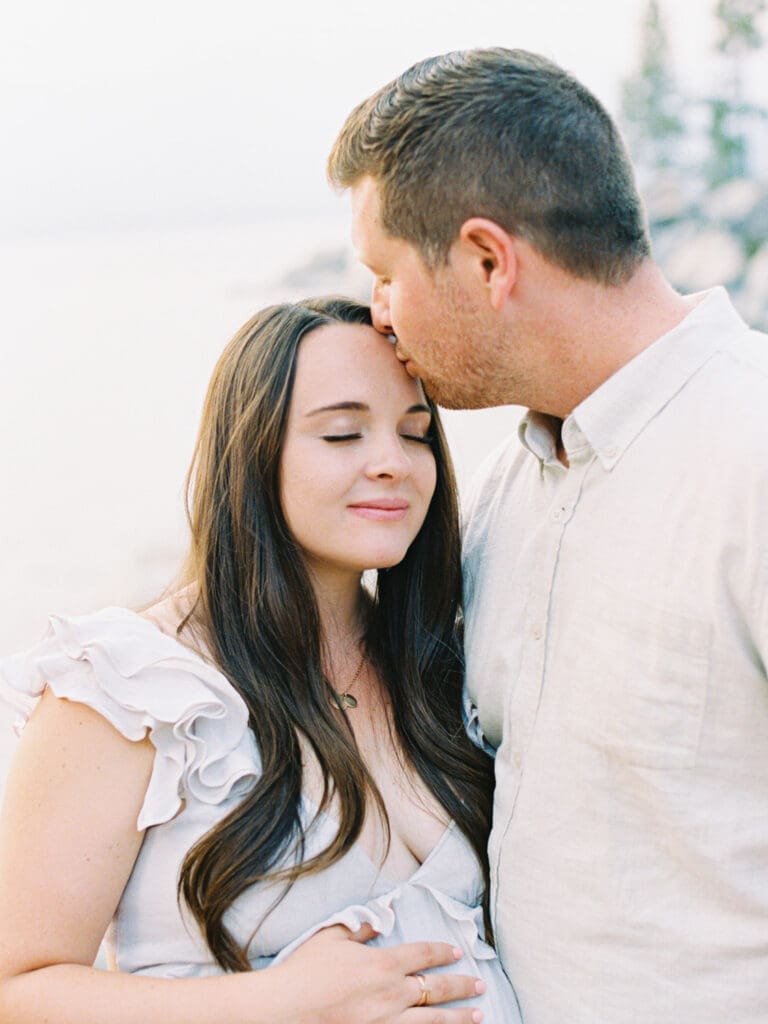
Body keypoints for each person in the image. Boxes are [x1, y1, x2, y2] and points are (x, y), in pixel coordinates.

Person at [327, 47, 768, 1024]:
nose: (377, 311)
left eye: (386, 273)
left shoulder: (753, 456)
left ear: (488, 260)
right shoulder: (499, 491)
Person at [0, 297, 523, 1023]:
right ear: (252, 451)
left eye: (416, 434)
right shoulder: (130, 690)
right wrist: (278, 1003)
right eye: (342, 434)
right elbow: (16, 990)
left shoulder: (442, 667)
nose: (392, 464)